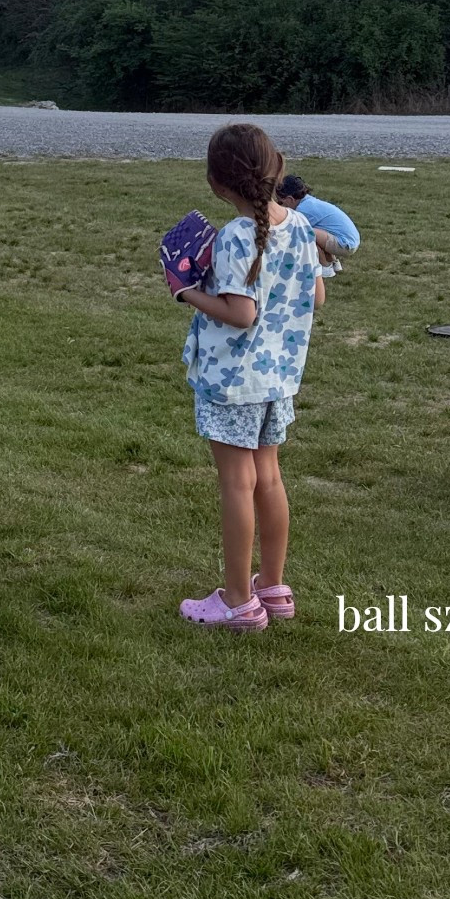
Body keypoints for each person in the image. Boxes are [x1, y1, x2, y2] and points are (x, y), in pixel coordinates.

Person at [176, 124, 325, 631]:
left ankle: (238, 601)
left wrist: (184, 291)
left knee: (237, 485)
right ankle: (273, 587)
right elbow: (317, 296)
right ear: (276, 167)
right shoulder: (301, 227)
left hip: (232, 383)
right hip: (279, 379)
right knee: (270, 478)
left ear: (218, 183)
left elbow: (240, 314)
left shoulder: (235, 236)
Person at [276, 175, 360, 277]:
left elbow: (292, 234)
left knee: (305, 233)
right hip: (349, 242)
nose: (281, 206)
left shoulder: (303, 210)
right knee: (314, 232)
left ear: (289, 199)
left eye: (280, 202)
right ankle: (334, 263)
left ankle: (325, 268)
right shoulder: (309, 201)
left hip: (345, 244)